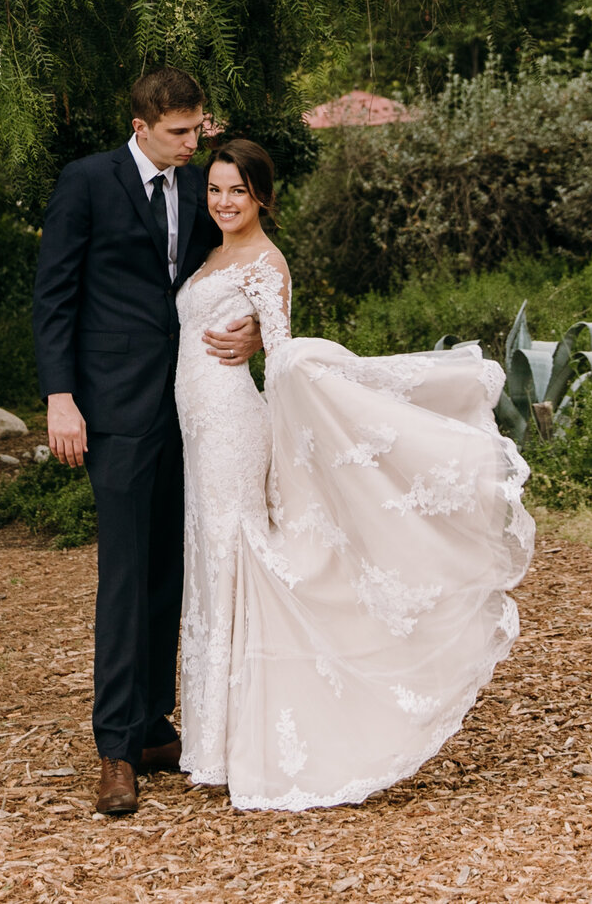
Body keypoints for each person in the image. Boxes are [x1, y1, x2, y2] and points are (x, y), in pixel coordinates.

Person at [174, 137, 534, 811]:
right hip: (200, 431)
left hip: (231, 427)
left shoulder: (264, 261)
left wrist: (287, 447)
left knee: (234, 558)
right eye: (216, 190)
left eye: (237, 191)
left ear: (261, 197)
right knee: (211, 562)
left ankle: (246, 740)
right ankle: (211, 739)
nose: (224, 202)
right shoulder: (214, 253)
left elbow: (281, 361)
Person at [31, 68, 263, 816]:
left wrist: (258, 323)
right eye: (180, 132)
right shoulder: (87, 182)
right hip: (113, 407)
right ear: (141, 125)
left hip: (193, 405)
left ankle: (156, 722)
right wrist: (59, 396)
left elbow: (241, 255)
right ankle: (115, 748)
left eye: (199, 129)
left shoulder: (198, 185)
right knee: (127, 574)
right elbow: (54, 292)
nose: (195, 142)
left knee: (172, 565)